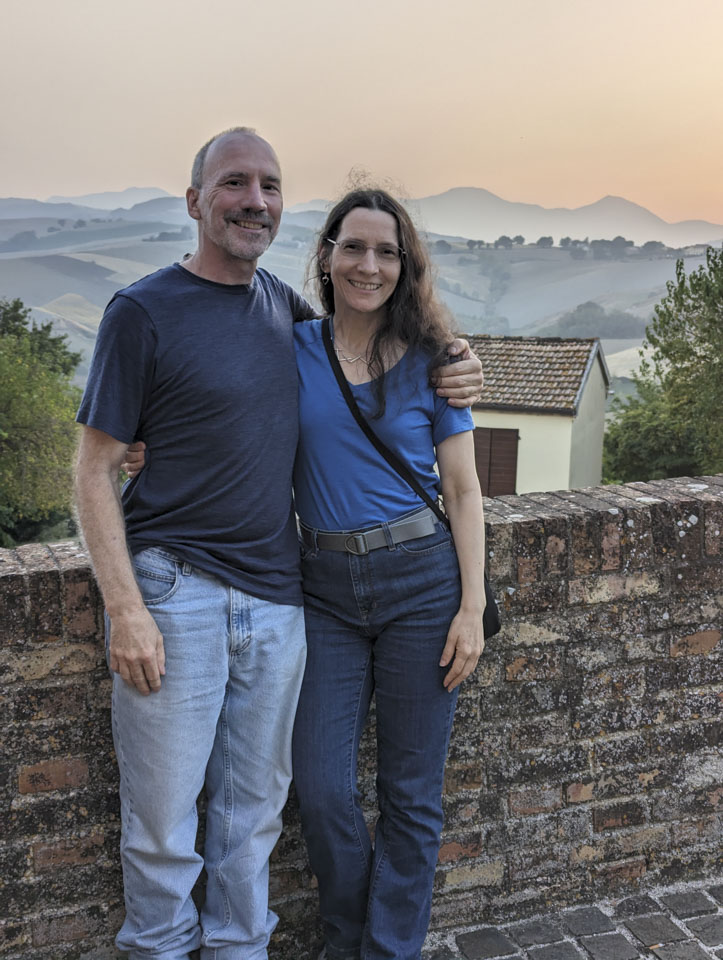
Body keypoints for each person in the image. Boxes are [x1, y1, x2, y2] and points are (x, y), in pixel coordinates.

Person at [74, 127, 483, 960]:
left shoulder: (309, 323)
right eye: (233, 183)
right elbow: (96, 467)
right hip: (202, 591)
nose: (252, 200)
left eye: (267, 185)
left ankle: (264, 949)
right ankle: (169, 947)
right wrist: (125, 604)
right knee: (193, 812)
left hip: (297, 595)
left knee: (258, 810)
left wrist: (466, 365)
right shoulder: (167, 315)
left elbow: (438, 452)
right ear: (196, 202)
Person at [290, 189, 486, 960]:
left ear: (404, 266)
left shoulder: (439, 363)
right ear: (328, 256)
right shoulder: (293, 349)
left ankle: (386, 950)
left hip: (422, 585)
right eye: (353, 248)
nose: (368, 265)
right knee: (321, 787)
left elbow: (465, 492)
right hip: (324, 589)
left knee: (410, 795)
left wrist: (470, 606)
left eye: (385, 251)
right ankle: (346, 938)